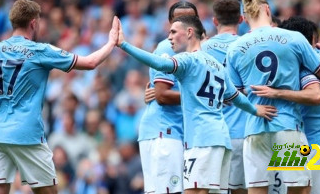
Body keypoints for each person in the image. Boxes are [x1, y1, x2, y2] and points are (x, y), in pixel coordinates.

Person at [0, 0, 119, 194]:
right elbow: (90, 63)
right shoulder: (40, 50)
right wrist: (111, 43)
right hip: (27, 136)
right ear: (33, 23)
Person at [116, 15, 276, 194]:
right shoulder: (217, 66)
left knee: (194, 191)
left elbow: (160, 63)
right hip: (222, 138)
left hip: (201, 139)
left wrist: (124, 45)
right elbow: (235, 97)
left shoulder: (188, 60)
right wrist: (255, 110)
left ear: (189, 32)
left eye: (174, 32)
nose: (169, 37)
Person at [225, 0, 320, 194]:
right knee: (300, 188)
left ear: (243, 18)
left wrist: (254, 108)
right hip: (287, 126)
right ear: (268, 10)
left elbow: (232, 95)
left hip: (254, 129)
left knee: (257, 189)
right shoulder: (293, 38)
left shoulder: (234, 48)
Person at [251, 16, 320, 194]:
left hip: (316, 145)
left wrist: (276, 92)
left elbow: (315, 95)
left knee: (299, 188)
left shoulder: (301, 66)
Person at [138, 1, 199, 194]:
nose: (185, 24)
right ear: (170, 24)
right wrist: (202, 96)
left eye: (190, 18)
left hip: (180, 132)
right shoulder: (168, 48)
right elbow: (162, 95)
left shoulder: (197, 48)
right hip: (165, 132)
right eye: (179, 19)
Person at [200, 0, 247, 194]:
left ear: (214, 21)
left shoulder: (201, 49)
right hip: (244, 132)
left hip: (211, 134)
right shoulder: (248, 46)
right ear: (241, 19)